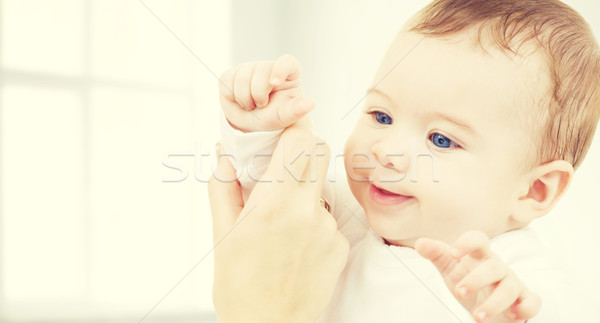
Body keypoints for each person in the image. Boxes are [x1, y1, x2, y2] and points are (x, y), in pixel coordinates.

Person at [214, 0, 600, 321]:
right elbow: (269, 205)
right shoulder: (344, 214)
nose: (386, 151)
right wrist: (262, 127)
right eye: (381, 116)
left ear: (533, 190)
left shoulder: (510, 277)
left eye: (441, 139)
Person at [208, 121, 349, 323]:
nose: (390, 153)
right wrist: (256, 125)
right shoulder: (344, 200)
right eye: (381, 117)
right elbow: (264, 191)